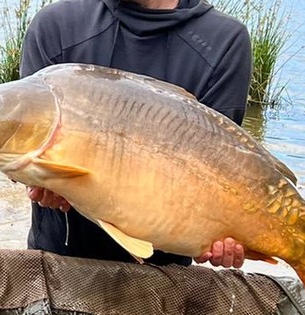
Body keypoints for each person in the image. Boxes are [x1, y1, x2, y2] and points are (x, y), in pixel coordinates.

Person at [19, 0, 253, 267]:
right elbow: (26, 143)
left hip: (166, 274)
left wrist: (213, 235)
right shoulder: (56, 25)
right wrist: (37, 180)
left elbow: (220, 173)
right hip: (56, 262)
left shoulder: (225, 41)